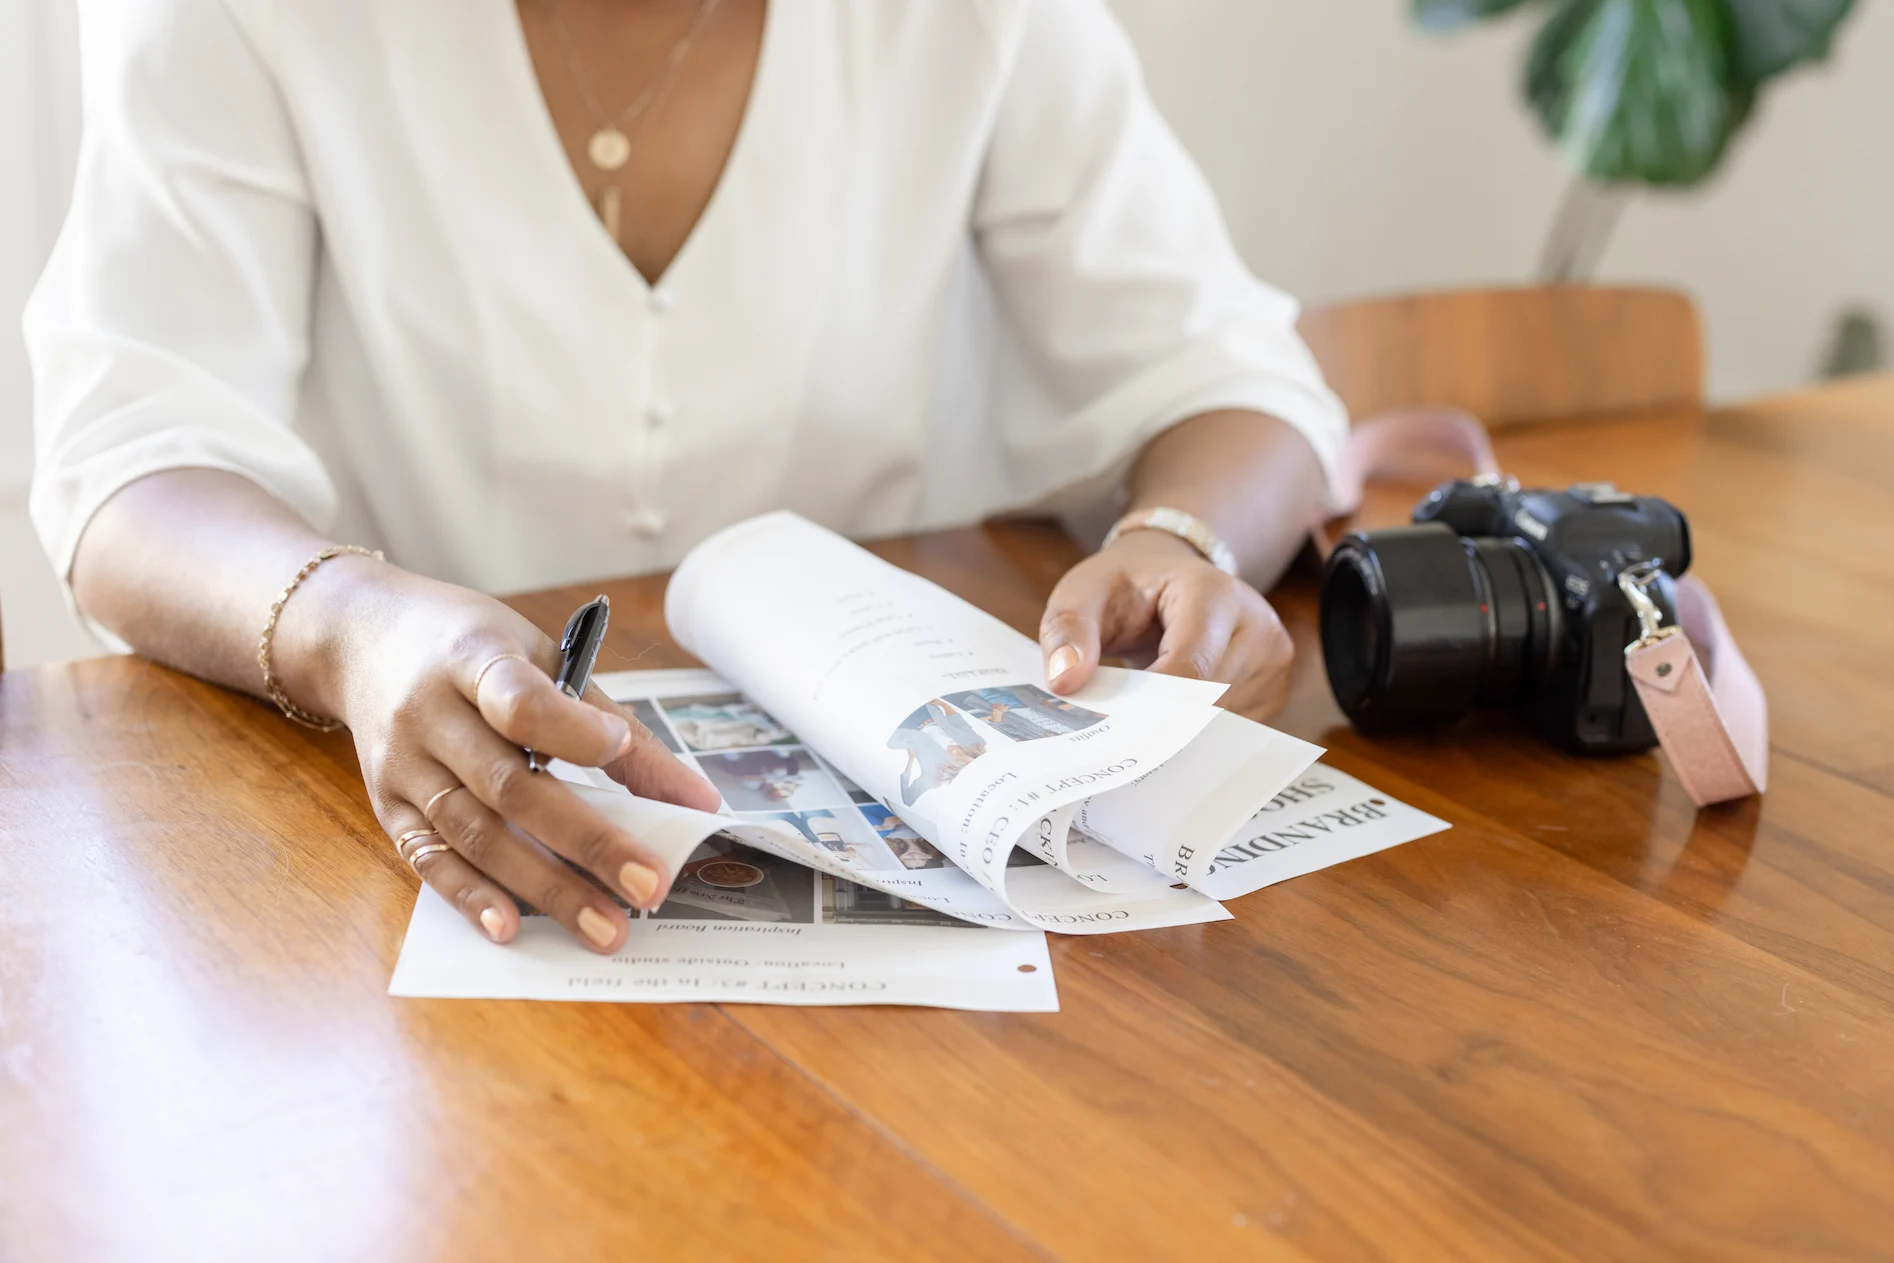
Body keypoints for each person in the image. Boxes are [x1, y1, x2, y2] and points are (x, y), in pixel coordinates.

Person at [26, 0, 1347, 956]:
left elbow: (1232, 370)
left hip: (925, 921)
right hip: (387, 861)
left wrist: (1180, 538)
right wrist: (354, 629)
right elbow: (127, 461)